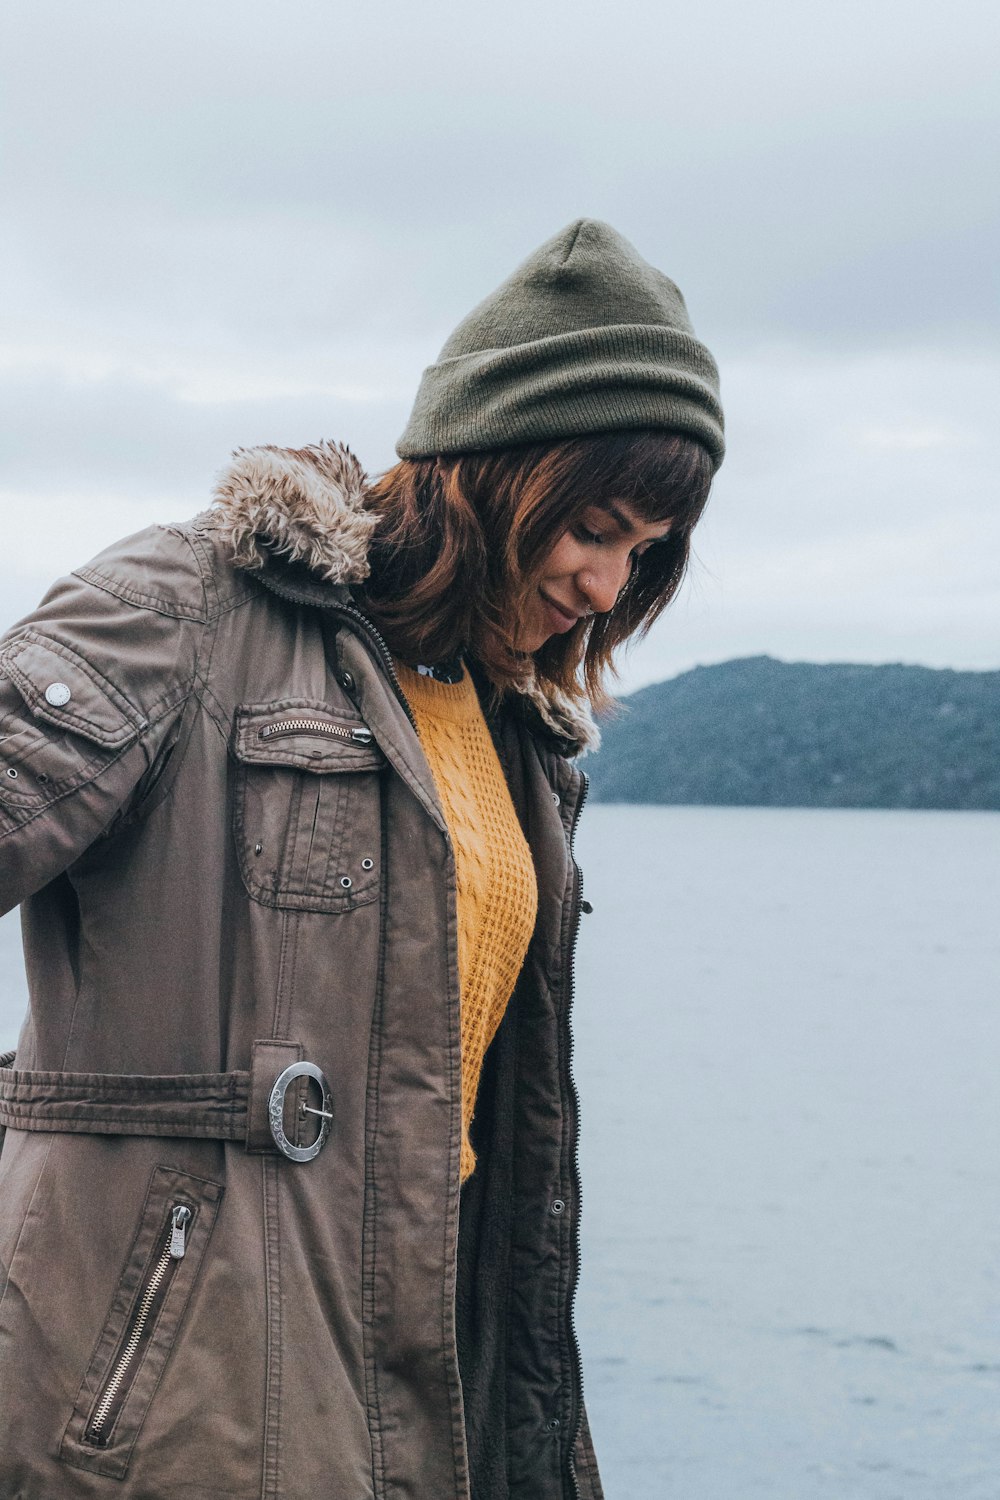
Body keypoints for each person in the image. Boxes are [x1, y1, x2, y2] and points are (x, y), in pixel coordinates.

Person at [0, 219, 724, 1499]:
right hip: (171, 1414)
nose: (609, 583)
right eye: (595, 527)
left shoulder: (517, 736)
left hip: (419, 1378)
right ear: (496, 463)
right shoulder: (193, 607)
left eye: (646, 552)